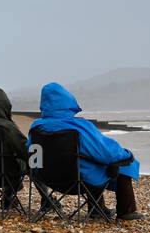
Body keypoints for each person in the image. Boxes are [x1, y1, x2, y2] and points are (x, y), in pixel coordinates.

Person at [29, 82, 143, 221]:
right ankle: (126, 212)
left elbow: (31, 154)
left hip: (48, 179)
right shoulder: (79, 126)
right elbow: (106, 152)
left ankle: (98, 209)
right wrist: (127, 155)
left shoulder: (36, 127)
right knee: (123, 164)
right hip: (79, 180)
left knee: (88, 162)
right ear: (68, 101)